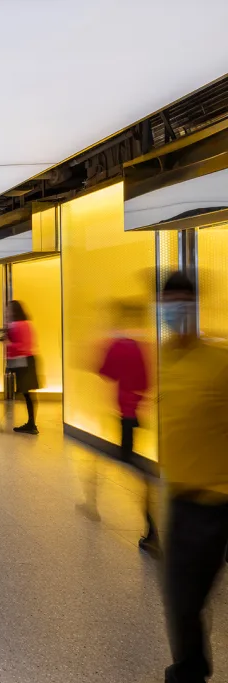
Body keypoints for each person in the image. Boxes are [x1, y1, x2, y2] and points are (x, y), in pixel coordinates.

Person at [158, 272, 228, 683]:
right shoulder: (165, 356)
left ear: (195, 304)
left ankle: (190, 670)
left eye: (183, 300)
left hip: (215, 501)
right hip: (178, 497)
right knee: (178, 596)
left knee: (186, 597)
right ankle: (192, 664)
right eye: (169, 302)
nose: (175, 309)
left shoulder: (220, 361)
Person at [98, 301, 158, 553]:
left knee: (130, 463)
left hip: (126, 411)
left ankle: (153, 527)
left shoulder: (119, 345)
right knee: (125, 459)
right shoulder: (144, 346)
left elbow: (105, 372)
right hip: (137, 408)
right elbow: (146, 381)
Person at [0, 300, 39, 434]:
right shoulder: (23, 324)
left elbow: (22, 346)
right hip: (24, 361)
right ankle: (31, 423)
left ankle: (32, 424)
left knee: (26, 393)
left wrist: (7, 342)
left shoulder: (19, 325)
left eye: (8, 310)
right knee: (26, 393)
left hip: (23, 362)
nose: (7, 313)